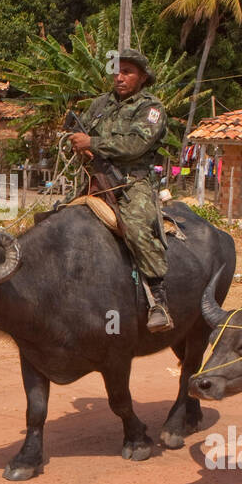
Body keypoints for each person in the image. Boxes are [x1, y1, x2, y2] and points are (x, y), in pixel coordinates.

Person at [67, 49, 172, 332]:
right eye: (117, 71)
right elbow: (82, 136)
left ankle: (158, 299)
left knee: (136, 228)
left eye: (127, 72)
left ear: (142, 77)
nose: (119, 77)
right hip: (95, 178)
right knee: (56, 218)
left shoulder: (151, 108)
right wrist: (76, 143)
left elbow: (136, 145)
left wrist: (94, 143)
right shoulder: (101, 103)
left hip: (132, 182)